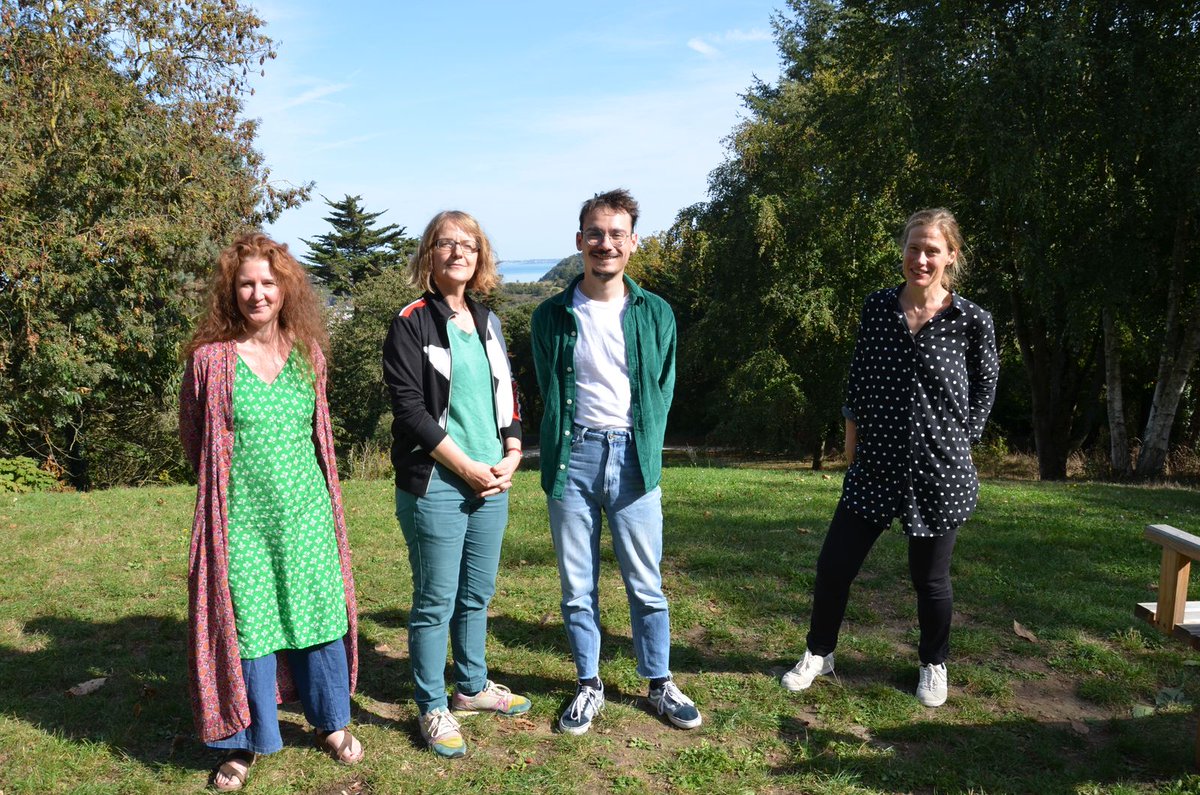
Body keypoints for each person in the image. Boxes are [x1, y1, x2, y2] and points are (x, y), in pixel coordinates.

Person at [782, 208, 999, 707]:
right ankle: (820, 653)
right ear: (902, 250)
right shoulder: (877, 307)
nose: (920, 258)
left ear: (951, 257)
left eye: (932, 250)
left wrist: (962, 441)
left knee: (930, 580)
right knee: (835, 564)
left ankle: (933, 664)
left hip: (938, 471)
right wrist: (851, 447)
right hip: (875, 465)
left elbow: (985, 388)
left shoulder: (972, 320)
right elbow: (859, 378)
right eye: (913, 248)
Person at [179, 232, 362, 792]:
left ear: (285, 289)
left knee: (316, 614)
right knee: (250, 625)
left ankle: (330, 723)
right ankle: (245, 741)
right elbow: (195, 438)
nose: (257, 294)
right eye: (245, 285)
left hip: (306, 512)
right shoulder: (209, 362)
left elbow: (318, 436)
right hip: (241, 520)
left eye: (267, 283)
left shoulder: (309, 356)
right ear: (230, 293)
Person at [531, 188, 701, 735]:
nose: (606, 243)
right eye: (596, 234)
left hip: (634, 458)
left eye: (617, 234)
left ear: (632, 242)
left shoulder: (657, 314)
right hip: (573, 458)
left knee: (646, 581)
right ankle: (588, 684)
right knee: (577, 584)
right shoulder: (550, 316)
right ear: (580, 241)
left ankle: (659, 681)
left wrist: (645, 445)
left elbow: (663, 386)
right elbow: (547, 388)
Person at [382, 211, 529, 759]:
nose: (458, 253)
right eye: (446, 244)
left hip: (493, 477)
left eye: (468, 245)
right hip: (437, 482)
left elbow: (507, 391)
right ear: (429, 255)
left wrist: (513, 451)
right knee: (435, 599)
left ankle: (471, 687)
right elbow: (410, 411)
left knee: (476, 594)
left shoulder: (488, 319)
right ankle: (432, 705)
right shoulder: (412, 321)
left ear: (480, 256)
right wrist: (465, 467)